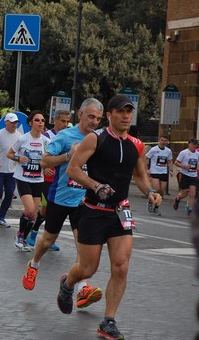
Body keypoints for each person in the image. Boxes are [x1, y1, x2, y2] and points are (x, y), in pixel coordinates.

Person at [57, 95, 162, 340]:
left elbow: (140, 175)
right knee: (87, 268)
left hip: (120, 212)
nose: (126, 116)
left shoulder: (137, 144)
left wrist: (151, 191)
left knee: (121, 267)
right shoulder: (96, 139)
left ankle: (108, 321)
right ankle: (67, 284)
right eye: (121, 111)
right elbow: (73, 169)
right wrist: (95, 185)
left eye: (129, 112)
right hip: (93, 211)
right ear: (110, 115)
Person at [21, 99, 104, 310]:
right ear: (81, 114)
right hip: (60, 197)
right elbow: (44, 162)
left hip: (84, 201)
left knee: (82, 244)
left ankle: (82, 289)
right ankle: (34, 264)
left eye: (98, 119)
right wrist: (68, 155)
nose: (94, 122)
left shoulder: (99, 139)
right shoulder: (65, 136)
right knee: (48, 240)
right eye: (91, 117)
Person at [27, 109, 71, 250]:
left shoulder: (69, 136)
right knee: (49, 209)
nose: (65, 124)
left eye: (67, 121)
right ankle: (38, 235)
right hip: (45, 178)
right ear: (55, 120)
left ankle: (41, 236)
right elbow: (39, 156)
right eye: (62, 121)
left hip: (61, 179)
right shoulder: (46, 136)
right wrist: (44, 167)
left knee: (47, 210)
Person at [7, 110, 46, 251]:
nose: (40, 123)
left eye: (42, 120)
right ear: (30, 123)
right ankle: (19, 235)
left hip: (38, 179)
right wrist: (18, 158)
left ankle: (24, 238)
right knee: (29, 210)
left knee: (34, 213)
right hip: (23, 178)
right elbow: (9, 153)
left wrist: (47, 166)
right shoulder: (23, 139)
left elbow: (49, 158)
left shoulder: (46, 141)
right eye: (37, 120)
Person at [146, 135, 173, 215]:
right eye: (162, 140)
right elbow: (146, 158)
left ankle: (156, 208)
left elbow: (170, 161)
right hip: (154, 171)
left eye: (165, 141)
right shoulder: (153, 149)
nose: (163, 142)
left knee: (161, 191)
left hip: (164, 172)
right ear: (159, 141)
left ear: (167, 142)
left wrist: (171, 170)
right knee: (156, 189)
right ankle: (150, 202)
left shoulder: (168, 151)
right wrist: (147, 169)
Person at [173, 138, 198, 216]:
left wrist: (197, 168)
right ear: (189, 144)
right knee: (184, 194)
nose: (194, 146)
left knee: (192, 193)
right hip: (185, 175)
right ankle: (177, 199)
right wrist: (184, 166)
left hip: (193, 175)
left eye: (196, 144)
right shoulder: (184, 153)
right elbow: (176, 163)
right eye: (193, 144)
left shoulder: (197, 154)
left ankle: (190, 210)